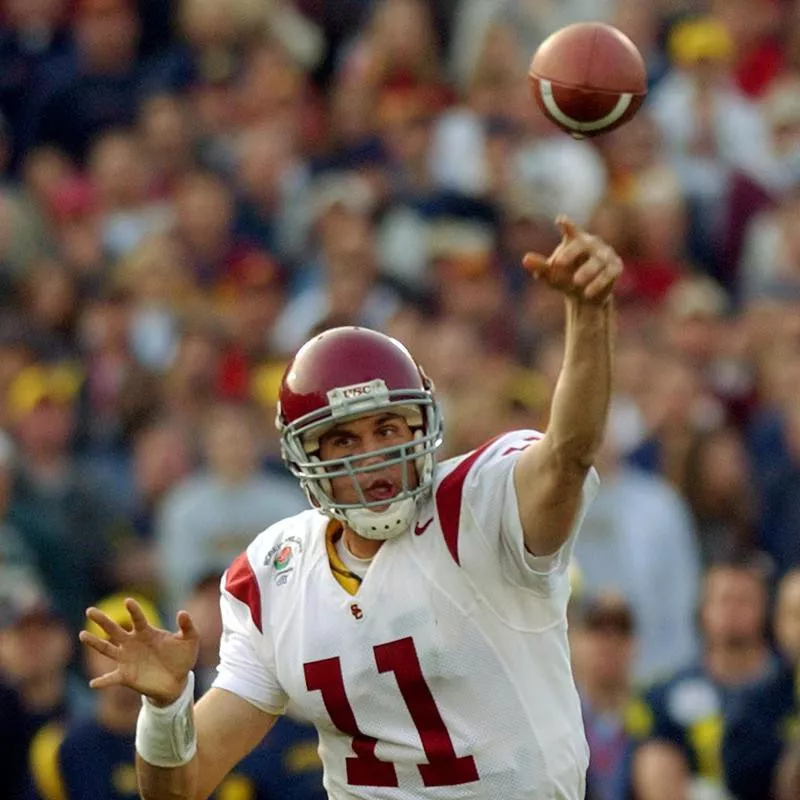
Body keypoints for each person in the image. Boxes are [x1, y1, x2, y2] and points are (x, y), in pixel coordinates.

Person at [79, 215, 623, 799]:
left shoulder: (480, 503)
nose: (371, 457)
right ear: (304, 456)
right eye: (343, 440)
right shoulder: (274, 574)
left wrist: (588, 316)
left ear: (422, 425)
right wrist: (165, 711)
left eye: (388, 428)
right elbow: (177, 789)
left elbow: (568, 450)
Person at [632, 557, 775, 800]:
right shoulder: (666, 693)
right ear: (702, 608)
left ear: (765, 608)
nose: (732, 611)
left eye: (744, 601)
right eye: (723, 600)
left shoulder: (788, 687)